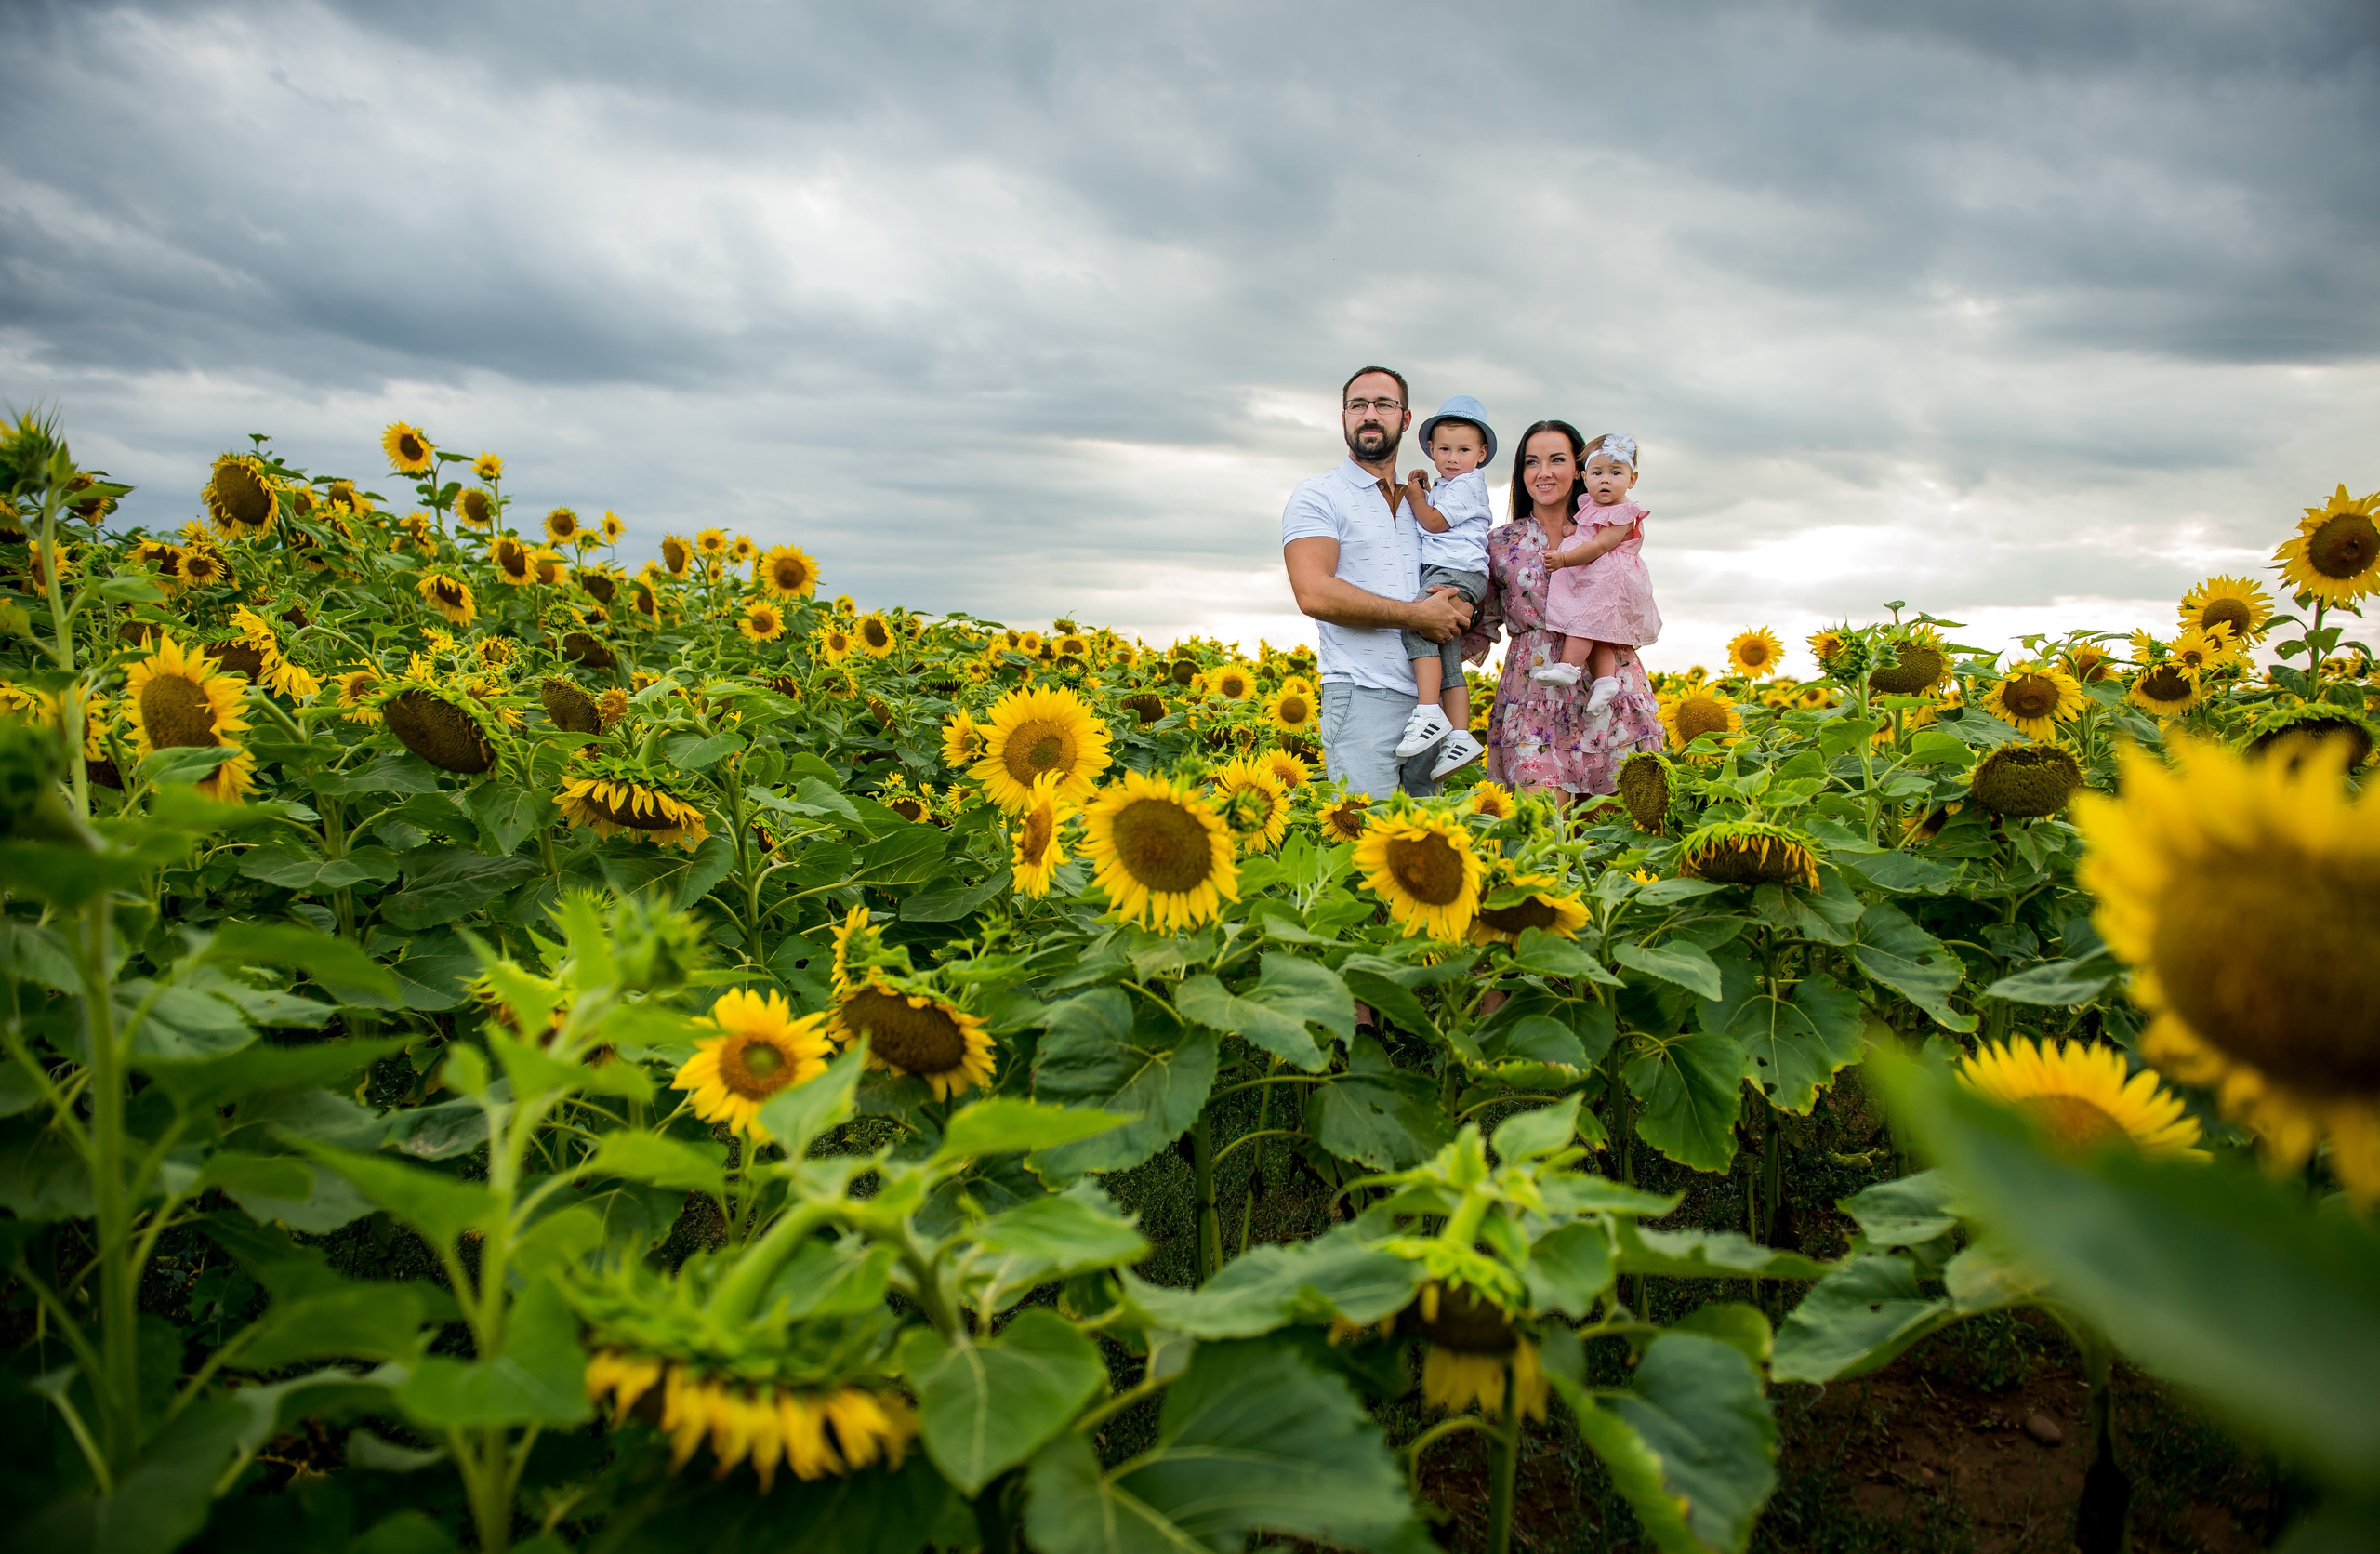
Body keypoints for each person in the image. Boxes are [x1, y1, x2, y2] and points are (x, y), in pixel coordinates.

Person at [1281, 366, 1474, 798]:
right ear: (1344, 417)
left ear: (1405, 419)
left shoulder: (1428, 502)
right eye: (1358, 405)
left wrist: (1467, 607)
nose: (1370, 414)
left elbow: (1463, 564)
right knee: (1365, 831)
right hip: (1363, 695)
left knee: (1425, 835)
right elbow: (1313, 592)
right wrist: (1417, 616)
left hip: (1433, 702)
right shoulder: (1319, 494)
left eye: (1384, 404)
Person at [1460, 420, 1663, 799]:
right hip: (1534, 692)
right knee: (1542, 824)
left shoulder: (1608, 529)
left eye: (1557, 460)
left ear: (1580, 469)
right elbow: (1478, 618)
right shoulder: (1501, 543)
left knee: (1614, 828)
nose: (1544, 472)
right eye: (1532, 462)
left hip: (1607, 689)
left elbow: (1630, 601)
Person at [1390, 395, 1495, 777]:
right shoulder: (1451, 484)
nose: (1453, 458)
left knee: (1417, 622)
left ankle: (1428, 711)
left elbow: (1434, 522)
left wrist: (1415, 495)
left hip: (1455, 571)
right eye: (1445, 449)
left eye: (1464, 450)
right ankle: (1461, 736)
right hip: (1454, 570)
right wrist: (1426, 487)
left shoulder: (1468, 486)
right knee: (1447, 654)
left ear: (1481, 454)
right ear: (1431, 449)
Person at [1533, 433, 1663, 732]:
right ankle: (1605, 681)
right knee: (1599, 634)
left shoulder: (1623, 512)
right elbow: (1588, 531)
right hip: (1597, 578)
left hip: (1608, 579)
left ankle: (1569, 667)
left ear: (1632, 479)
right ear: (1584, 477)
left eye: (1616, 473)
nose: (1606, 480)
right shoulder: (1591, 505)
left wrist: (1564, 558)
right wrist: (1573, 530)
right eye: (1598, 473)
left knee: (1583, 623)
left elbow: (1600, 544)